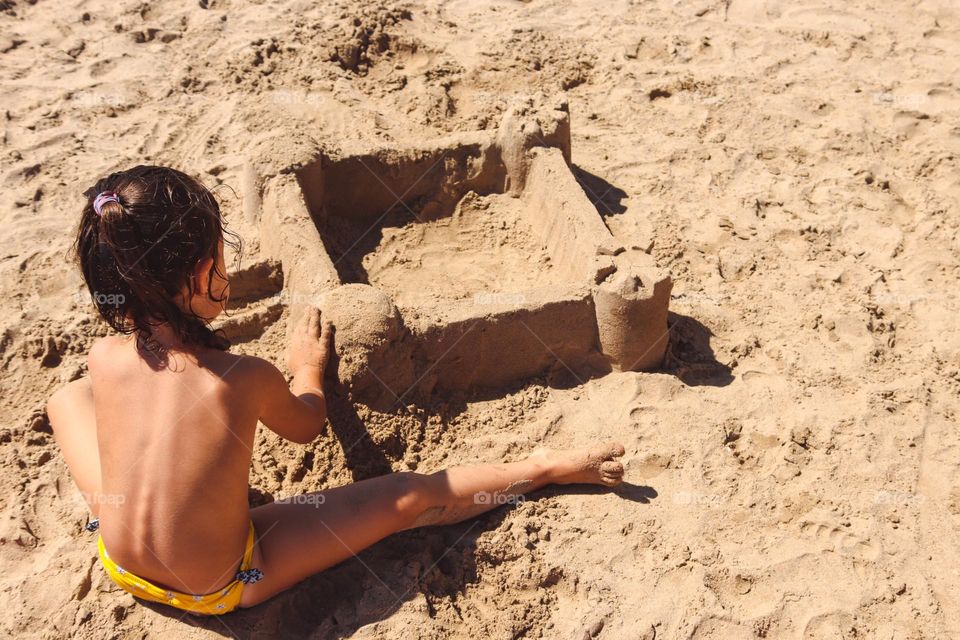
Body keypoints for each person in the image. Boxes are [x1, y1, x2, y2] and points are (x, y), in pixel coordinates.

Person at [46, 166, 626, 615]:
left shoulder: (104, 356)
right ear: (200, 274)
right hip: (221, 584)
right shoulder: (241, 378)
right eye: (221, 255)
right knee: (408, 497)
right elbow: (305, 427)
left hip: (122, 562)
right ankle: (545, 468)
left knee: (66, 400)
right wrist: (305, 371)